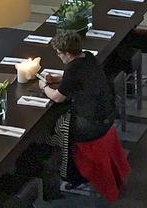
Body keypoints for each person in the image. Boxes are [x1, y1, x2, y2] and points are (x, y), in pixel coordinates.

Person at [42, 30, 116, 195]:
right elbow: (75, 77)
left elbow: (57, 97)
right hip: (109, 114)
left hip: (92, 124)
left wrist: (45, 87)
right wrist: (56, 79)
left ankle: (72, 176)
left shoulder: (72, 67)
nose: (59, 56)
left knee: (59, 130)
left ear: (68, 54)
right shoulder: (88, 57)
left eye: (59, 53)